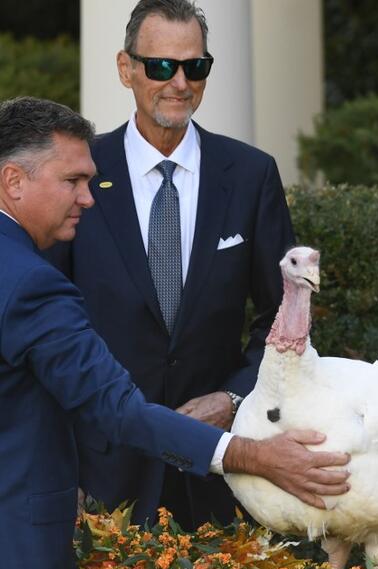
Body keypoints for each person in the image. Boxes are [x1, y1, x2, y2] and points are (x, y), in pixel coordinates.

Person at [0, 96, 350, 569]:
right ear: (14, 182)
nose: (88, 198)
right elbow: (117, 409)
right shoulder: (32, 284)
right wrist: (253, 456)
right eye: (72, 181)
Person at [47, 0, 295, 529]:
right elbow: (49, 327)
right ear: (125, 68)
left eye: (194, 66)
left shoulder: (251, 175)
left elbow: (286, 318)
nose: (179, 83)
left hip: (219, 472)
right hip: (101, 470)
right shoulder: (80, 174)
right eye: (161, 66)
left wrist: (233, 397)